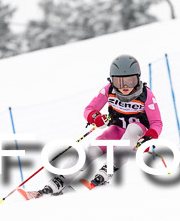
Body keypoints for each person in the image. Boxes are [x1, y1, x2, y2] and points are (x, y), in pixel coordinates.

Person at [40, 54, 163, 194]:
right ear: (112, 80)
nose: (125, 86)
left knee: (133, 128)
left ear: (138, 78)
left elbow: (156, 123)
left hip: (137, 137)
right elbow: (89, 110)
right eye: (119, 82)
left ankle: (108, 168)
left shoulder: (146, 95)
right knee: (92, 150)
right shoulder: (109, 90)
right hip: (116, 130)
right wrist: (96, 118)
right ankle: (61, 180)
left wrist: (149, 137)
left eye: (130, 81)